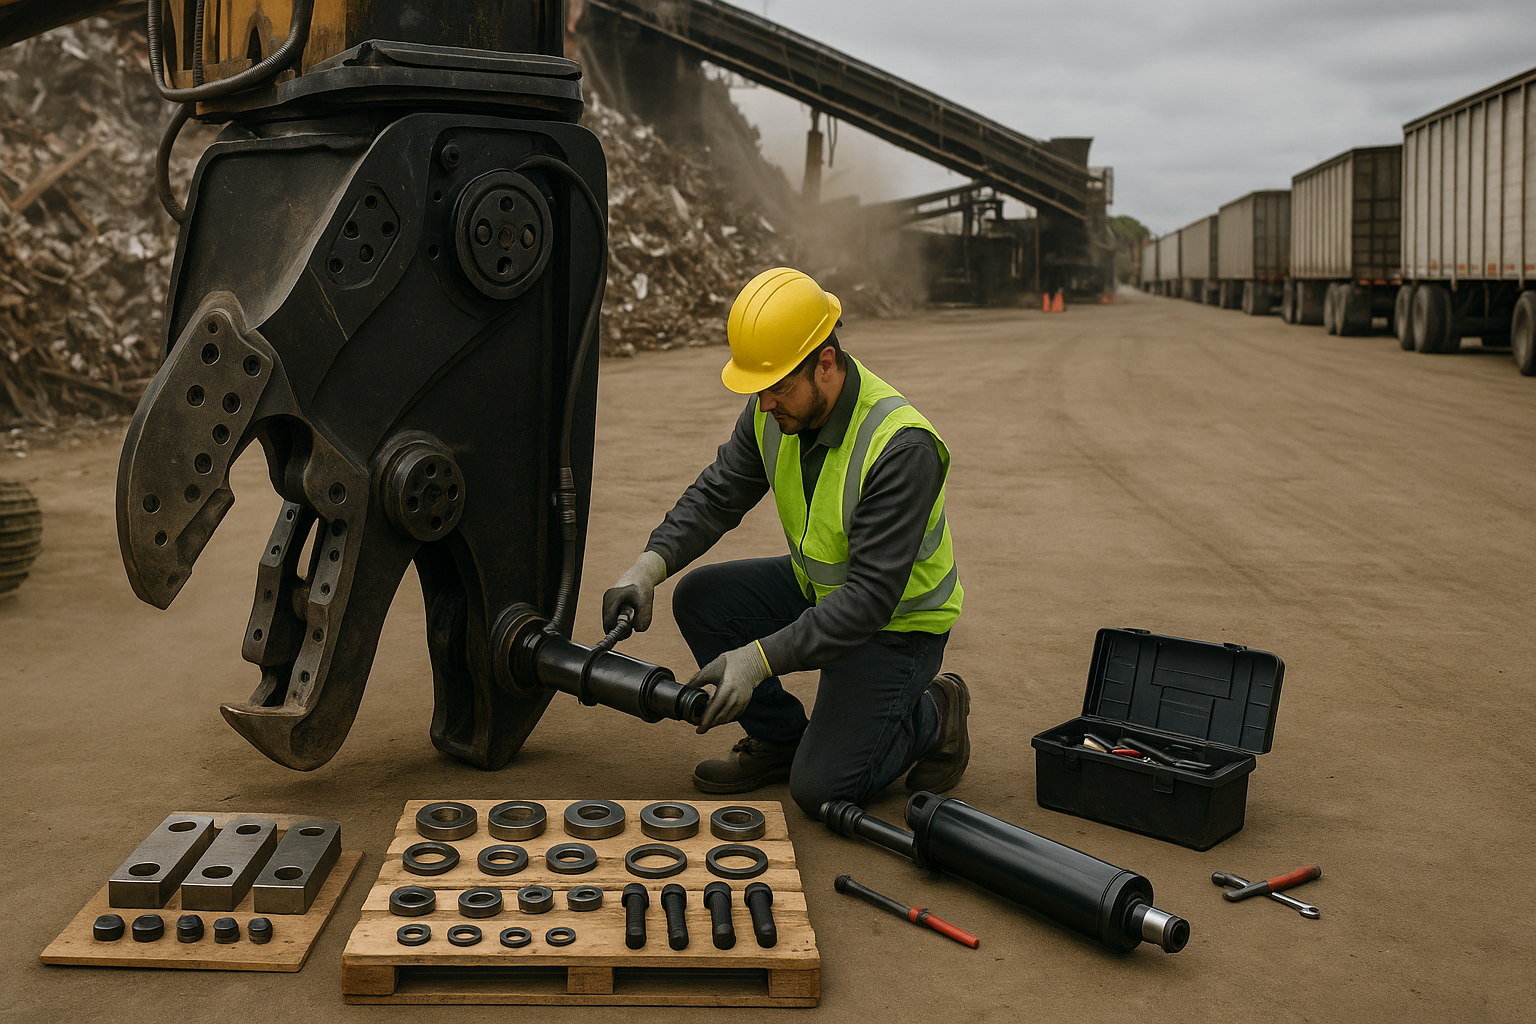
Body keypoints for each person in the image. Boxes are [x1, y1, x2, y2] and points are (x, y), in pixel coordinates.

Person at [603, 267, 968, 817]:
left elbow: (868, 601)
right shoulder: (774, 409)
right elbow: (718, 493)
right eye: (759, 388)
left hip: (894, 629)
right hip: (821, 593)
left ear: (825, 363)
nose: (765, 403)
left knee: (822, 790)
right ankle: (781, 739)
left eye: (778, 387)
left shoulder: (901, 448)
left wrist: (758, 660)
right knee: (702, 599)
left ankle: (937, 712)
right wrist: (647, 566)